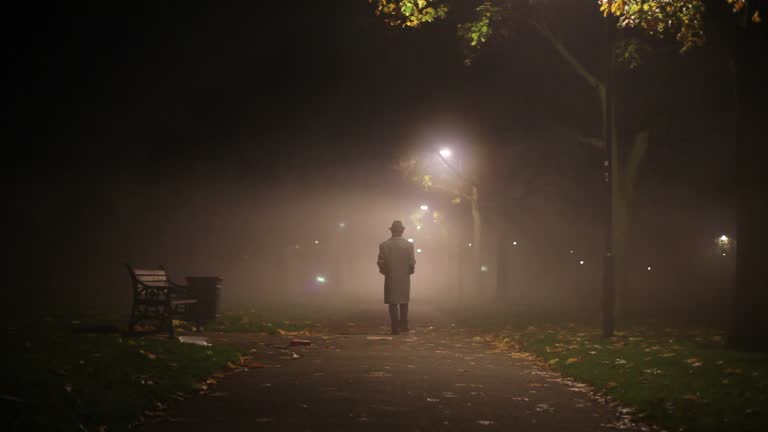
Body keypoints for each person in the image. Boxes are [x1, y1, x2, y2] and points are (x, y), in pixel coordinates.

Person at [377, 220, 415, 335]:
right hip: (404, 277)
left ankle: (395, 327)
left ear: (391, 231)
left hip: (391, 276)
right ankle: (404, 326)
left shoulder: (384, 245)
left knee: (392, 303)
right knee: (404, 302)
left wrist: (385, 272)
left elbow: (381, 262)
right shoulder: (409, 245)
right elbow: (412, 262)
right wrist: (409, 272)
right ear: (402, 231)